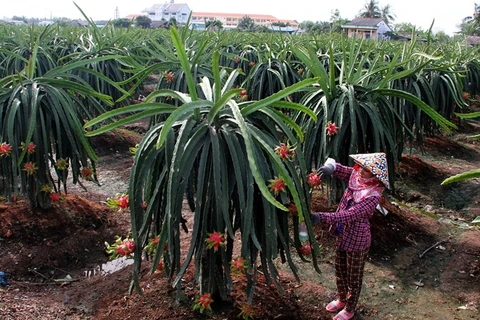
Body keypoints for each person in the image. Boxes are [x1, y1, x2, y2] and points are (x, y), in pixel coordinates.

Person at [311, 153, 390, 320]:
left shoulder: (372, 197)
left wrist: (321, 217)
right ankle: (341, 298)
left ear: (375, 176)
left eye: (367, 170)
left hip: (357, 240)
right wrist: (330, 169)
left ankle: (349, 308)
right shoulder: (357, 176)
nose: (361, 171)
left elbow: (349, 215)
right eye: (361, 166)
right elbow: (343, 170)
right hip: (342, 234)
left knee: (353, 277)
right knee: (339, 269)